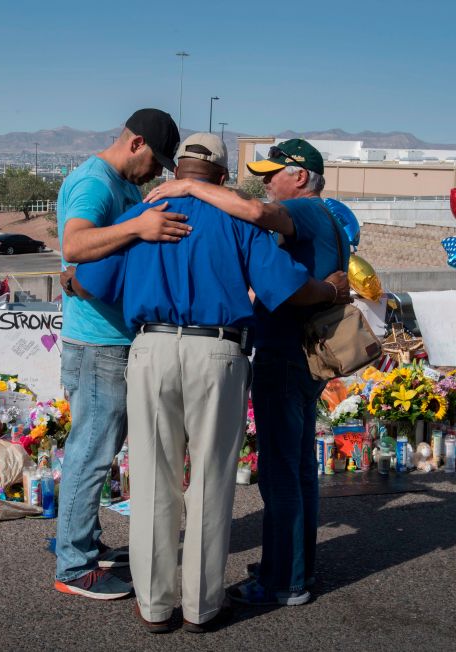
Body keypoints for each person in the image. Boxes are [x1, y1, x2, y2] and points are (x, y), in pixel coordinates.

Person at [74, 134, 350, 632]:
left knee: (154, 480)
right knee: (210, 481)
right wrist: (331, 287)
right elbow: (284, 287)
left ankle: (154, 607)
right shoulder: (235, 217)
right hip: (217, 351)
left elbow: (88, 279)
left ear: (174, 170)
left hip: (151, 347)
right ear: (222, 178)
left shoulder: (143, 214)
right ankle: (202, 607)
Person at [145, 138, 349, 607]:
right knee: (298, 469)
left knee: (280, 472)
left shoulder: (305, 211)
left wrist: (191, 190)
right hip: (308, 355)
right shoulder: (330, 219)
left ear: (300, 176)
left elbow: (255, 213)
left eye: (273, 172)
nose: (264, 182)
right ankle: (293, 568)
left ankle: (283, 583)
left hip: (285, 352)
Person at [53, 108, 187, 600]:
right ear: (135, 144)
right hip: (96, 345)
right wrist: (140, 228)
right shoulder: (96, 182)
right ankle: (74, 567)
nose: (157, 171)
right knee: (90, 452)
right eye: (156, 160)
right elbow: (75, 243)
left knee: (98, 451)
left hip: (116, 341)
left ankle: (82, 543)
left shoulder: (126, 185)